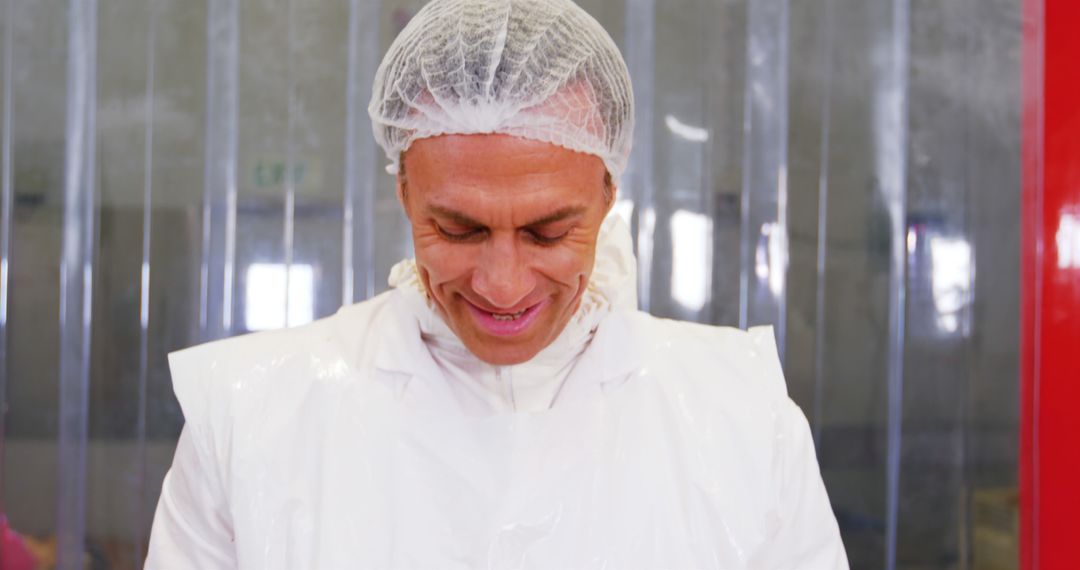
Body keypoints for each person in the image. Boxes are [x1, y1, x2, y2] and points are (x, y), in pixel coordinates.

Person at [145, 0, 849, 568]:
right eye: (458, 230)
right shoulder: (253, 421)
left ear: (607, 195)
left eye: (548, 232)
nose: (504, 287)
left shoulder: (740, 419)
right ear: (405, 193)